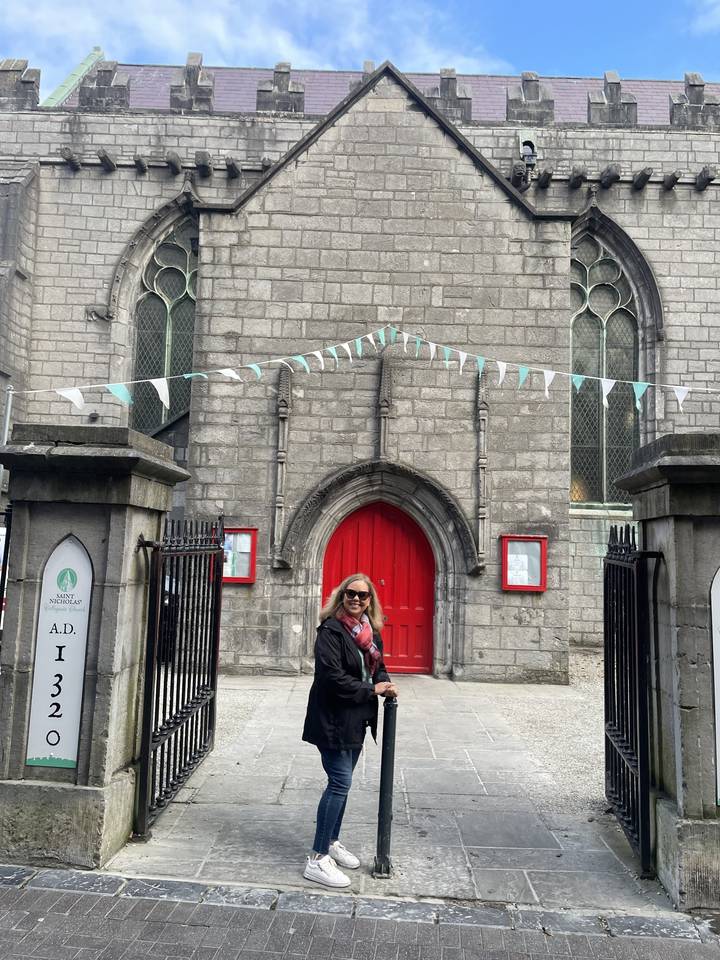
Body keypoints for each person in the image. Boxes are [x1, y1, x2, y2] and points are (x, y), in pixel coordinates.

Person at [302, 573, 397, 888]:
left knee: (343, 782)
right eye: (350, 593)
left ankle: (331, 842)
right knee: (339, 783)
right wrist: (373, 690)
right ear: (341, 596)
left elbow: (378, 666)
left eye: (363, 595)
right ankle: (317, 859)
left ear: (370, 600)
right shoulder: (330, 631)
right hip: (331, 718)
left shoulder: (371, 632)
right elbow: (331, 678)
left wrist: (385, 683)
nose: (356, 599)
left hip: (355, 719)